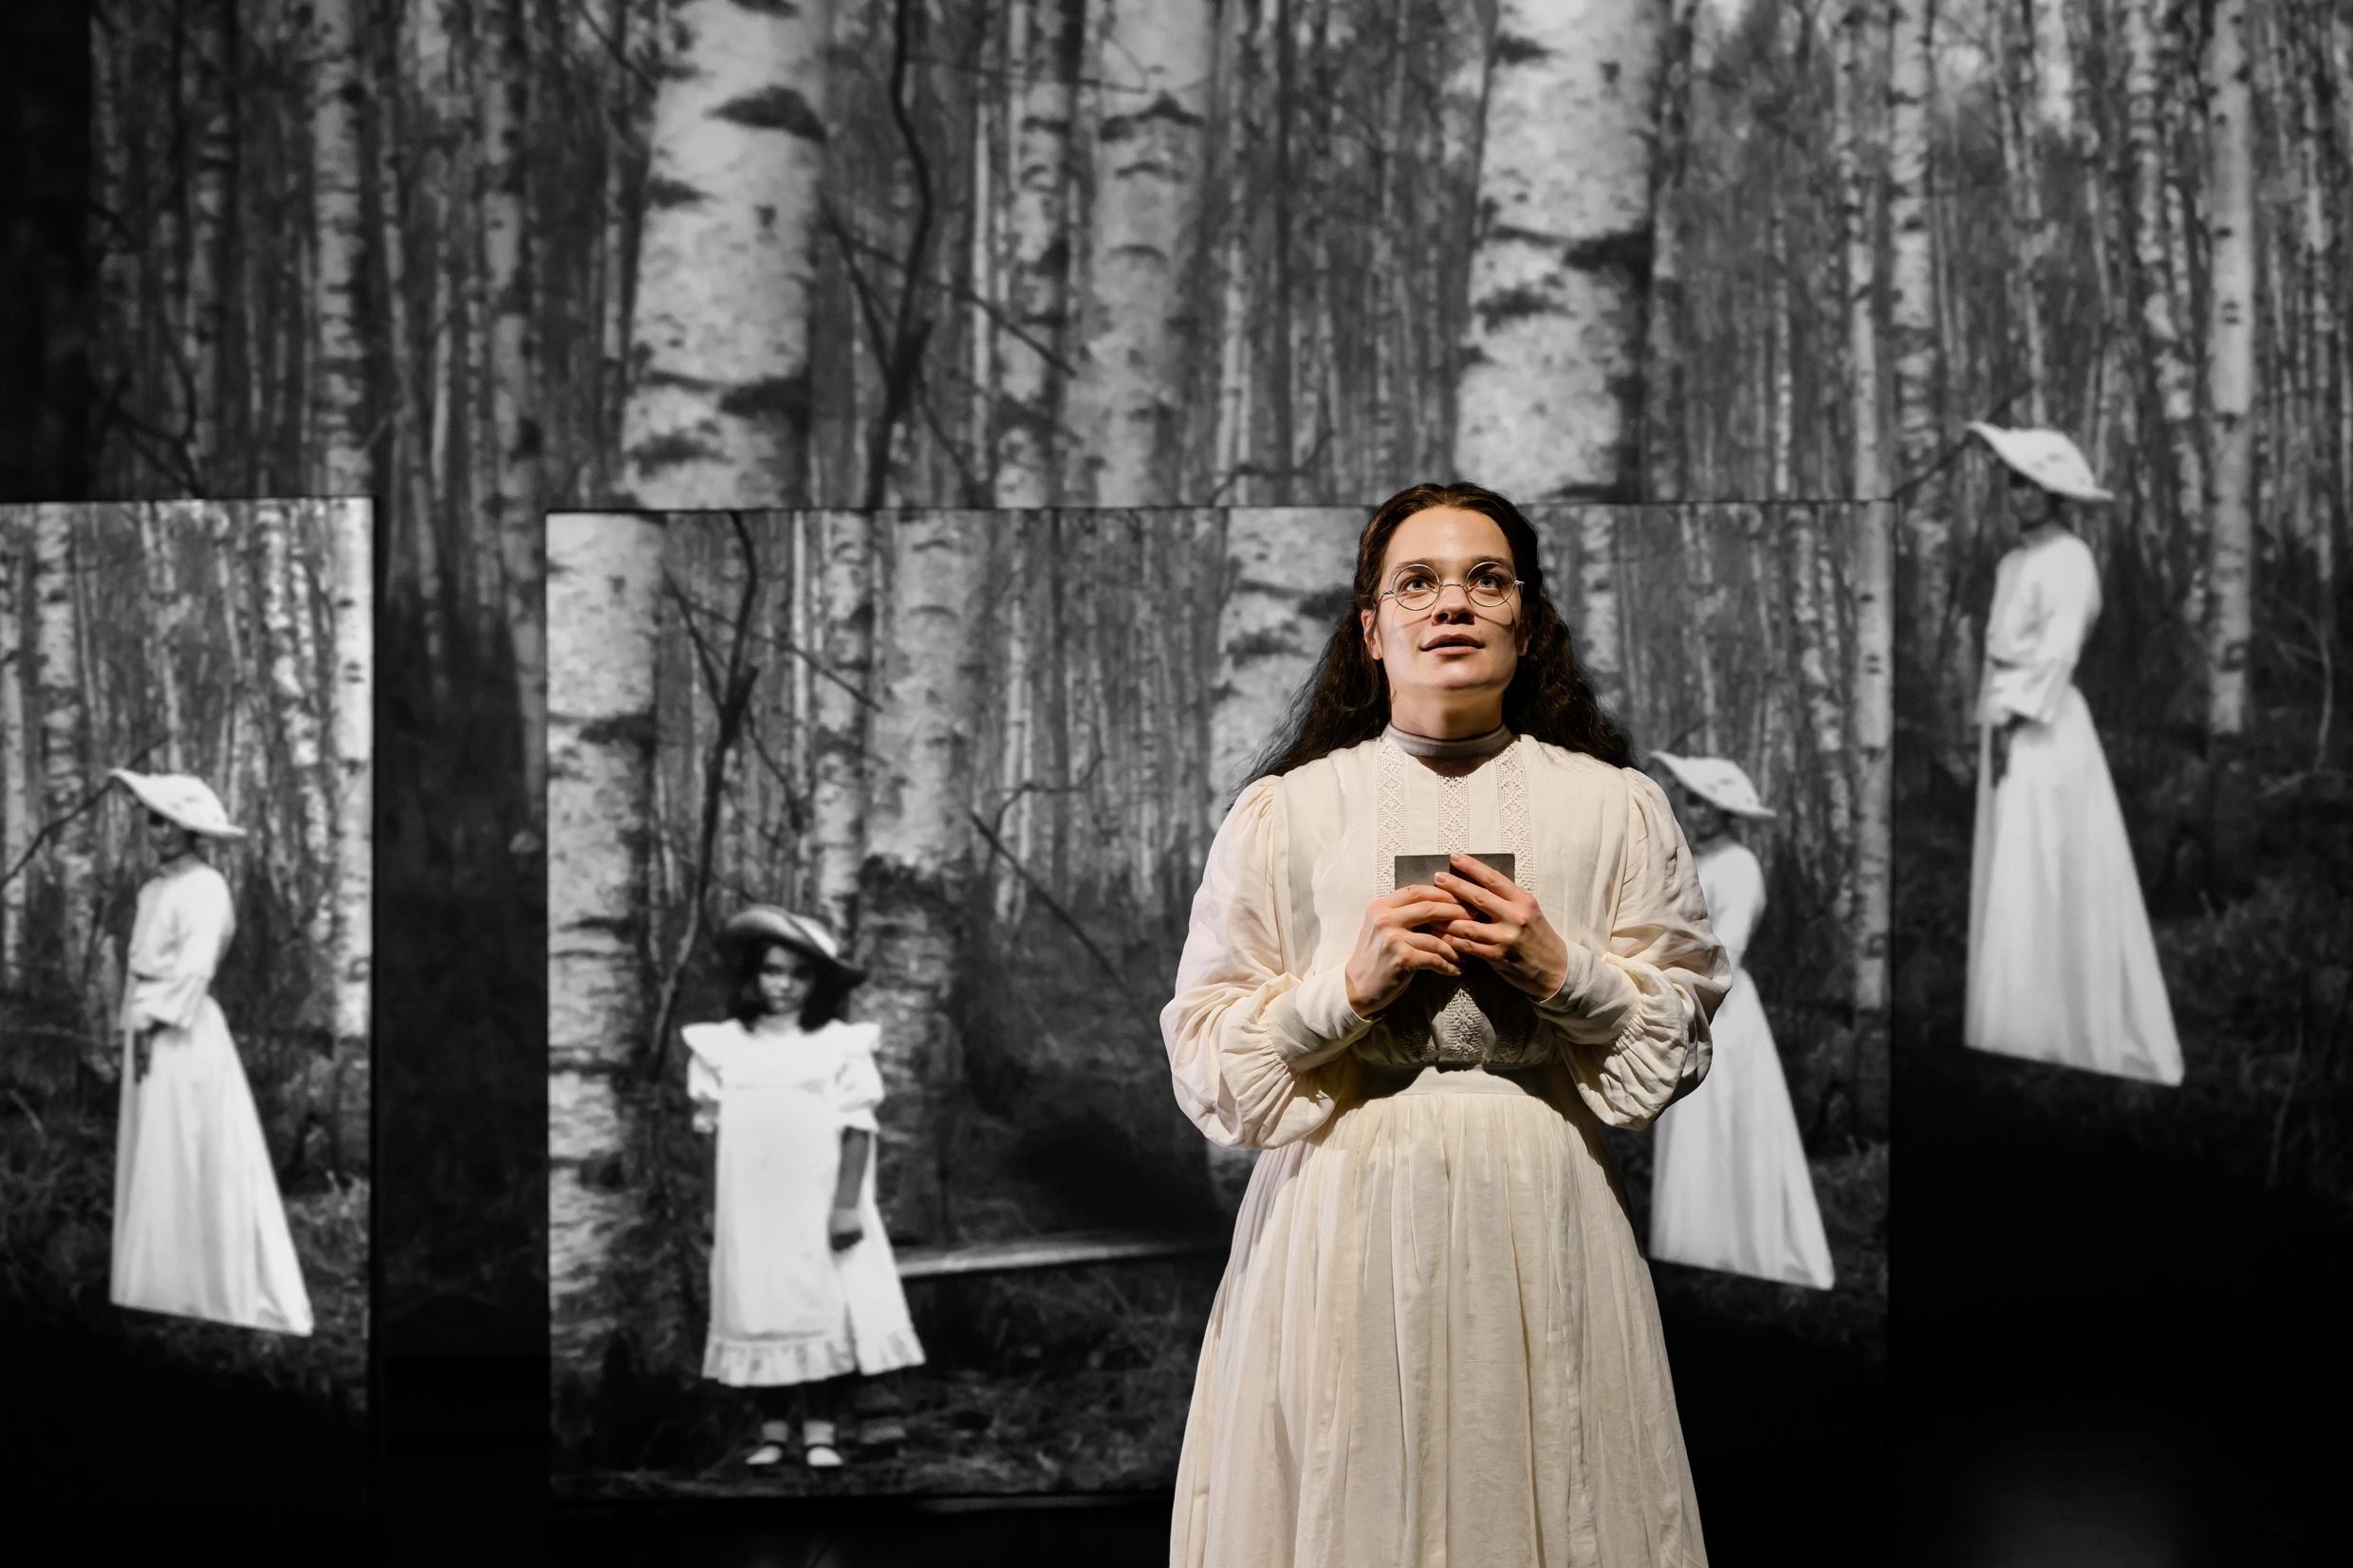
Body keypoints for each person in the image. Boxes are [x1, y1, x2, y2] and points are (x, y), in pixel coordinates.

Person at [1162, 484, 1728, 1567]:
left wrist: (1564, 973)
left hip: (1544, 1206)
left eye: (1486, 580)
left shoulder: (1613, 806)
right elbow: (1207, 1058)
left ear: (1528, 621)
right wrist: (1346, 991)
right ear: (1372, 631)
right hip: (1337, 1214)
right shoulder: (1289, 812)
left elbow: (1676, 1037)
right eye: (1416, 583)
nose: (1452, 604)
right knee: (1349, 1494)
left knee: (1549, 1487)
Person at [1963, 423, 2184, 1085]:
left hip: (2047, 733)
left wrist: (2013, 719)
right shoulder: (2012, 563)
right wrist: (1990, 724)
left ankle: (2066, 1027)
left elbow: (2059, 651)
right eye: (2016, 482)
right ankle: (2015, 1024)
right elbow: (1999, 657)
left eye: (2035, 484)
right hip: (2004, 727)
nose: (2022, 495)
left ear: (2058, 495)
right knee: (2013, 866)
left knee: (2051, 861)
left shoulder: (2071, 560)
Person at [684, 906, 925, 1470]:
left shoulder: (837, 1045)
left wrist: (845, 1206)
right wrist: (712, 1206)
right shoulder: (723, 1047)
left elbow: (858, 1129)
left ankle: (821, 1432)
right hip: (750, 1204)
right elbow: (709, 1135)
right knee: (758, 1307)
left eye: (799, 974)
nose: (784, 985)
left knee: (815, 1307)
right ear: (752, 975)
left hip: (813, 1199)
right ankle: (772, 1433)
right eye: (772, 971)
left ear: (818, 984)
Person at [108, 768, 314, 1336]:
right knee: (155, 1151)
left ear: (193, 831)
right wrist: (131, 1026)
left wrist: (154, 1021)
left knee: (189, 1146)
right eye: (154, 821)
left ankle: (207, 1287)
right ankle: (159, 1284)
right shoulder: (153, 890)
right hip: (146, 1028)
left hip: (183, 1032)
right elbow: (140, 968)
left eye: (172, 824)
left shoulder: (207, 887)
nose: (161, 832)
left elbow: (196, 966)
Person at [1644, 753, 1836, 1291]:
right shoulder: (1688, 860)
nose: (1691, 810)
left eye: (1701, 802)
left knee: (1725, 1116)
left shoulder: (1739, 865)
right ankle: (1691, 1247)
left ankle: (1737, 1247)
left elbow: (1727, 948)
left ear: (1723, 811)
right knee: (1692, 1123)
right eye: (1688, 799)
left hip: (1721, 1013)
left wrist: (1682, 985)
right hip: (1683, 1001)